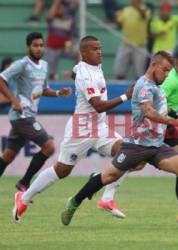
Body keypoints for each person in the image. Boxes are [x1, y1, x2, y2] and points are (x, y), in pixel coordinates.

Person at [59, 51, 178, 226]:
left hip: (156, 144)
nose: (167, 74)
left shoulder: (156, 86)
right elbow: (148, 112)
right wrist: (174, 122)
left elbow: (162, 108)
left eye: (170, 71)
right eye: (165, 70)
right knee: (108, 176)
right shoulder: (144, 85)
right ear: (153, 66)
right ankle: (74, 202)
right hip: (136, 146)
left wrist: (176, 115)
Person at [12, 35, 134, 222]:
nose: (99, 51)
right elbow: (98, 106)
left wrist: (75, 72)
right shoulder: (86, 75)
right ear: (83, 53)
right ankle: (24, 197)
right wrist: (126, 97)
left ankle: (107, 199)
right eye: (94, 49)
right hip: (81, 129)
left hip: (99, 127)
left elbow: (76, 69)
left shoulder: (90, 66)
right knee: (62, 170)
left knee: (128, 153)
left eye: (99, 48)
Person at [97, 50, 178, 218]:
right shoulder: (171, 80)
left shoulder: (177, 79)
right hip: (158, 125)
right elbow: (157, 100)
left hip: (163, 124)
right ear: (176, 64)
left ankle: (106, 188)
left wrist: (176, 116)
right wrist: (175, 117)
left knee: (138, 164)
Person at [0, 32, 72, 191]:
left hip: (28, 115)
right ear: (28, 47)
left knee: (8, 155)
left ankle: (23, 182)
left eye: (41, 45)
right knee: (49, 147)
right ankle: (24, 182)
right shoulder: (22, 64)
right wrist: (13, 100)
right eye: (35, 45)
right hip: (22, 116)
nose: (39, 48)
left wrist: (58, 93)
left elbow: (43, 89)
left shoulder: (44, 66)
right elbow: (1, 79)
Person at [114, 0, 150, 80]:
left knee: (139, 75)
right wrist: (116, 17)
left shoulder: (146, 9)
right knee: (119, 73)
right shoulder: (125, 10)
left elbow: (144, 15)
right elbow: (119, 24)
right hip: (125, 44)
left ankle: (138, 91)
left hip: (140, 45)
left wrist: (136, 7)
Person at [46, 0, 79, 80]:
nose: (59, 9)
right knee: (51, 55)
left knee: (78, 52)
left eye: (61, 8)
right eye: (58, 8)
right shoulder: (52, 18)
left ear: (65, 9)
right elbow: (49, 16)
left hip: (65, 48)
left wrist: (69, 46)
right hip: (52, 48)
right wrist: (56, 4)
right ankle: (52, 76)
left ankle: (77, 74)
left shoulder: (70, 19)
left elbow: (70, 35)